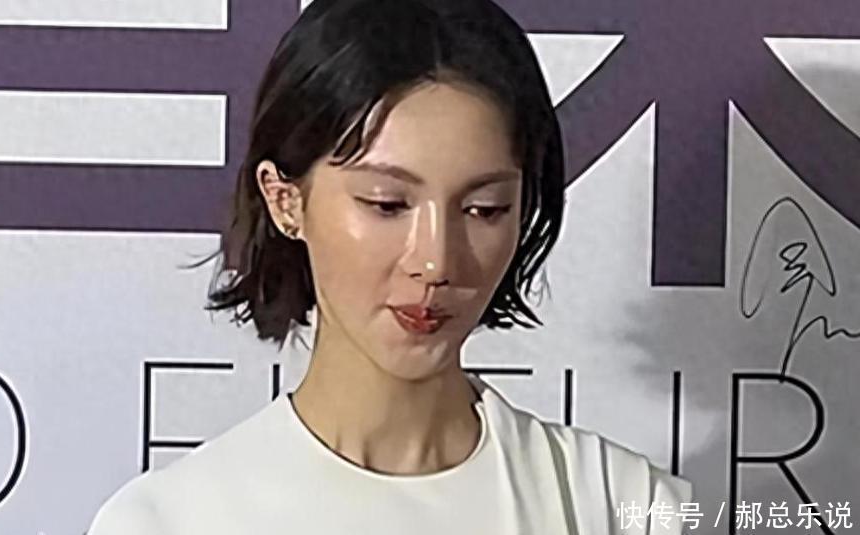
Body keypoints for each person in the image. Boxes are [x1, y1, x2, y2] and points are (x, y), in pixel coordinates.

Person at [87, 0, 693, 533]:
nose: (436, 260)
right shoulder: (169, 521)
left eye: (484, 209)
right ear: (285, 200)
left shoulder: (624, 507)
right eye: (387, 204)